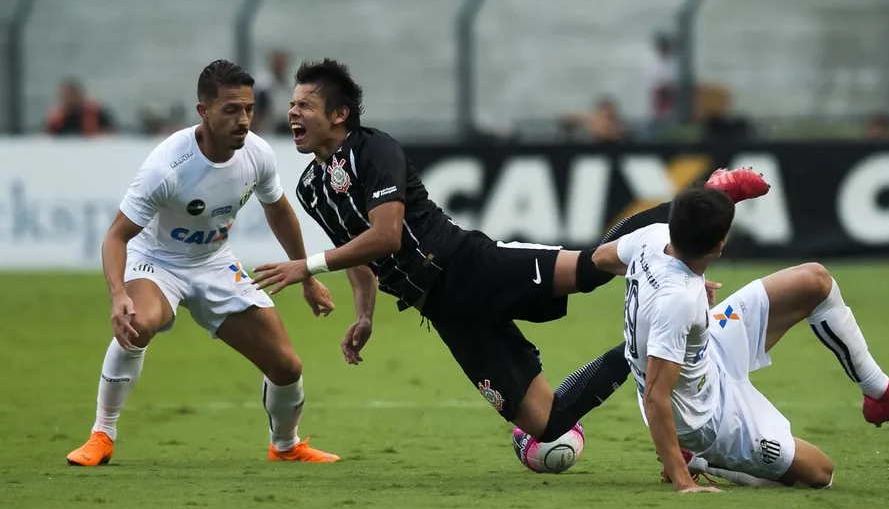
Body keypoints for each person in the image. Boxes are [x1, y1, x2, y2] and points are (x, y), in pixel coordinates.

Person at [251, 58, 770, 445]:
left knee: (593, 268)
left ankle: (712, 192)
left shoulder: (374, 149)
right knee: (547, 423)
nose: (292, 112)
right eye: (293, 105)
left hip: (471, 266)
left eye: (304, 105)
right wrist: (365, 314)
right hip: (446, 311)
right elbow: (360, 256)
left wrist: (306, 266)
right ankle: (633, 353)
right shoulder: (312, 188)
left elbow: (387, 235)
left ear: (339, 114)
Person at [588, 187, 889, 491]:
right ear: (718, 247)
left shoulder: (655, 239)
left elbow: (602, 258)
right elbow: (655, 397)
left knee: (814, 281)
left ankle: (880, 392)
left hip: (707, 344)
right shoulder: (679, 300)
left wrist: (683, 283)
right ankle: (699, 457)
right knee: (820, 474)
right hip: (705, 417)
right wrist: (685, 483)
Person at [66, 60, 341, 466]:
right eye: (231, 109)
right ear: (203, 111)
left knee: (286, 365)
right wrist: (118, 294)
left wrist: (305, 276)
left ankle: (285, 446)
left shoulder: (258, 155)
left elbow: (279, 211)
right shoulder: (167, 168)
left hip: (214, 261)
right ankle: (102, 434)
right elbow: (116, 236)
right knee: (138, 323)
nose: (243, 119)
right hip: (157, 262)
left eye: (248, 109)